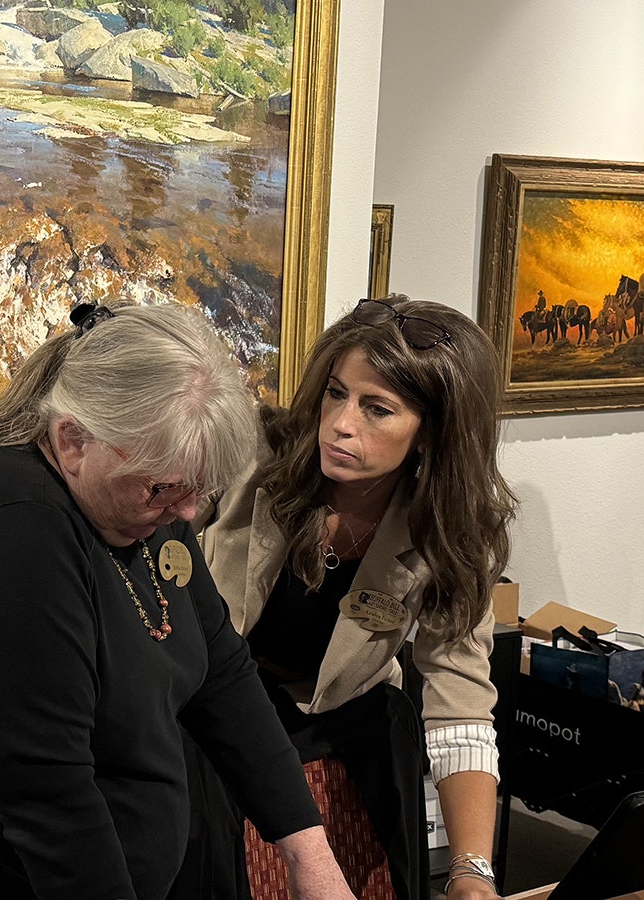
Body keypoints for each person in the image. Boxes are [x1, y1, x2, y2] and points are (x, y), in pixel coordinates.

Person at [0, 302, 359, 900]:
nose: (186, 514)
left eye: (198, 489)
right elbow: (48, 794)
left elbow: (222, 673)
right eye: (165, 489)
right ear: (73, 440)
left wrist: (308, 851)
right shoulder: (11, 529)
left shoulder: (139, 492)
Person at [200, 296, 517, 900]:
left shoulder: (451, 529)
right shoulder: (251, 459)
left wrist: (471, 872)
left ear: (432, 435)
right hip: (218, 706)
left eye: (378, 410)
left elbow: (462, 700)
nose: (342, 424)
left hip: (351, 733)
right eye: (336, 393)